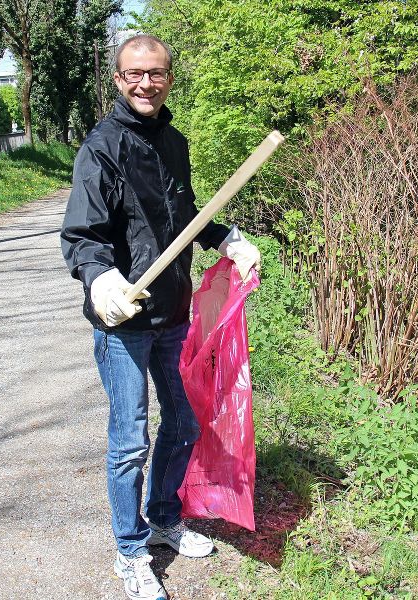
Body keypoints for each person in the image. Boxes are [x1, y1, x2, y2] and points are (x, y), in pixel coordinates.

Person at [60, 34, 261, 600]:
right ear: (119, 80)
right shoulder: (102, 146)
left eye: (156, 73)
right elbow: (83, 232)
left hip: (172, 314)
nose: (146, 83)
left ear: (170, 77)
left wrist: (227, 238)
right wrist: (99, 278)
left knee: (183, 423)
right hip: (123, 323)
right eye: (134, 74)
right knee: (130, 441)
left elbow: (187, 216)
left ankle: (163, 519)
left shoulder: (174, 141)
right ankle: (130, 550)